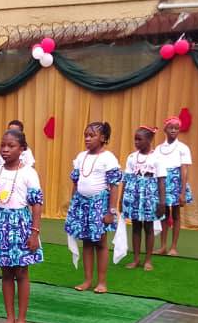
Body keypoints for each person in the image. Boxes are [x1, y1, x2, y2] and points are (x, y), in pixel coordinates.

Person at [0, 128, 44, 323]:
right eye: (3, 145)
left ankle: (22, 321)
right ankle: (9, 319)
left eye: (11, 146)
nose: (5, 149)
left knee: (21, 272)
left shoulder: (28, 173)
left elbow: (36, 204)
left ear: (22, 149)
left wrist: (34, 232)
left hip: (20, 226)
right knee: (6, 273)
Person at [65, 121, 122, 293]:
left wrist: (111, 211)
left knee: (100, 243)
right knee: (87, 243)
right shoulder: (81, 157)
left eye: (92, 135)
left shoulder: (108, 158)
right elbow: (76, 183)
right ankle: (88, 280)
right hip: (82, 204)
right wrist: (73, 204)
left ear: (103, 138)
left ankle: (102, 282)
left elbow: (114, 186)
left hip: (99, 205)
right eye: (86, 135)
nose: (87, 139)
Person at [120, 125, 166, 271]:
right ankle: (136, 259)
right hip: (133, 197)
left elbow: (161, 181)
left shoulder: (157, 158)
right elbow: (126, 179)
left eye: (139, 139)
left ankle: (148, 260)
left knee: (149, 228)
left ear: (149, 140)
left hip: (150, 198)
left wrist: (162, 202)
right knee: (135, 227)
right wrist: (121, 199)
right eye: (135, 139)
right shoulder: (131, 157)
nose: (136, 142)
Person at [155, 115, 193, 255]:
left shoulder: (183, 148)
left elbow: (184, 170)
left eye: (176, 128)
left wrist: (182, 192)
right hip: (162, 182)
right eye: (171, 128)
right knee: (163, 213)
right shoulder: (158, 149)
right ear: (165, 129)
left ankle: (174, 247)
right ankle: (163, 246)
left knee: (176, 214)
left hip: (177, 182)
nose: (173, 130)